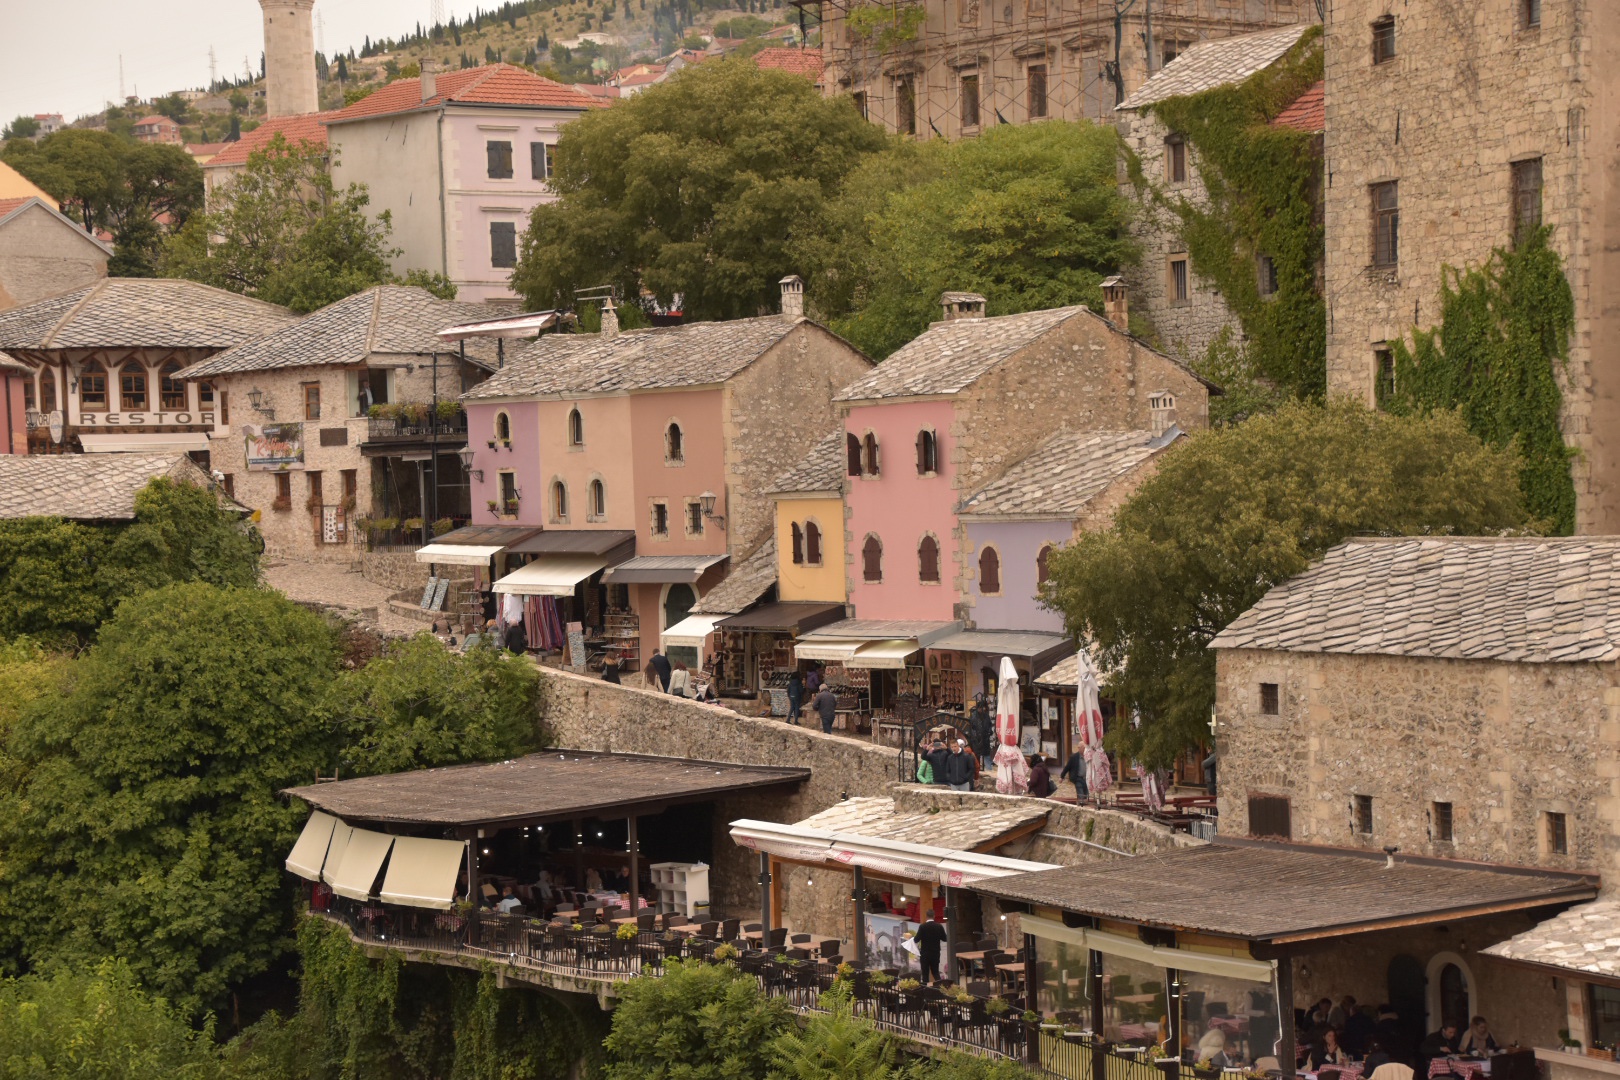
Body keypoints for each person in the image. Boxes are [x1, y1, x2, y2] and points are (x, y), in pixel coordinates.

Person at [915, 908, 948, 985]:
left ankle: (925, 990)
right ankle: (940, 988)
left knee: (925, 974)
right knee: (936, 972)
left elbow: (916, 940)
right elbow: (945, 939)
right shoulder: (939, 926)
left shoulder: (922, 927)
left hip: (925, 954)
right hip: (935, 953)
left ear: (926, 916)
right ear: (934, 916)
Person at [967, 693, 993, 759]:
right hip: (977, 739)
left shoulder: (986, 715)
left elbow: (989, 724)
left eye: (983, 708)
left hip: (985, 738)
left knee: (986, 755)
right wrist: (975, 735)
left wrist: (989, 731)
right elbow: (972, 727)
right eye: (981, 708)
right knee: (977, 755)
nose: (982, 709)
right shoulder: (974, 716)